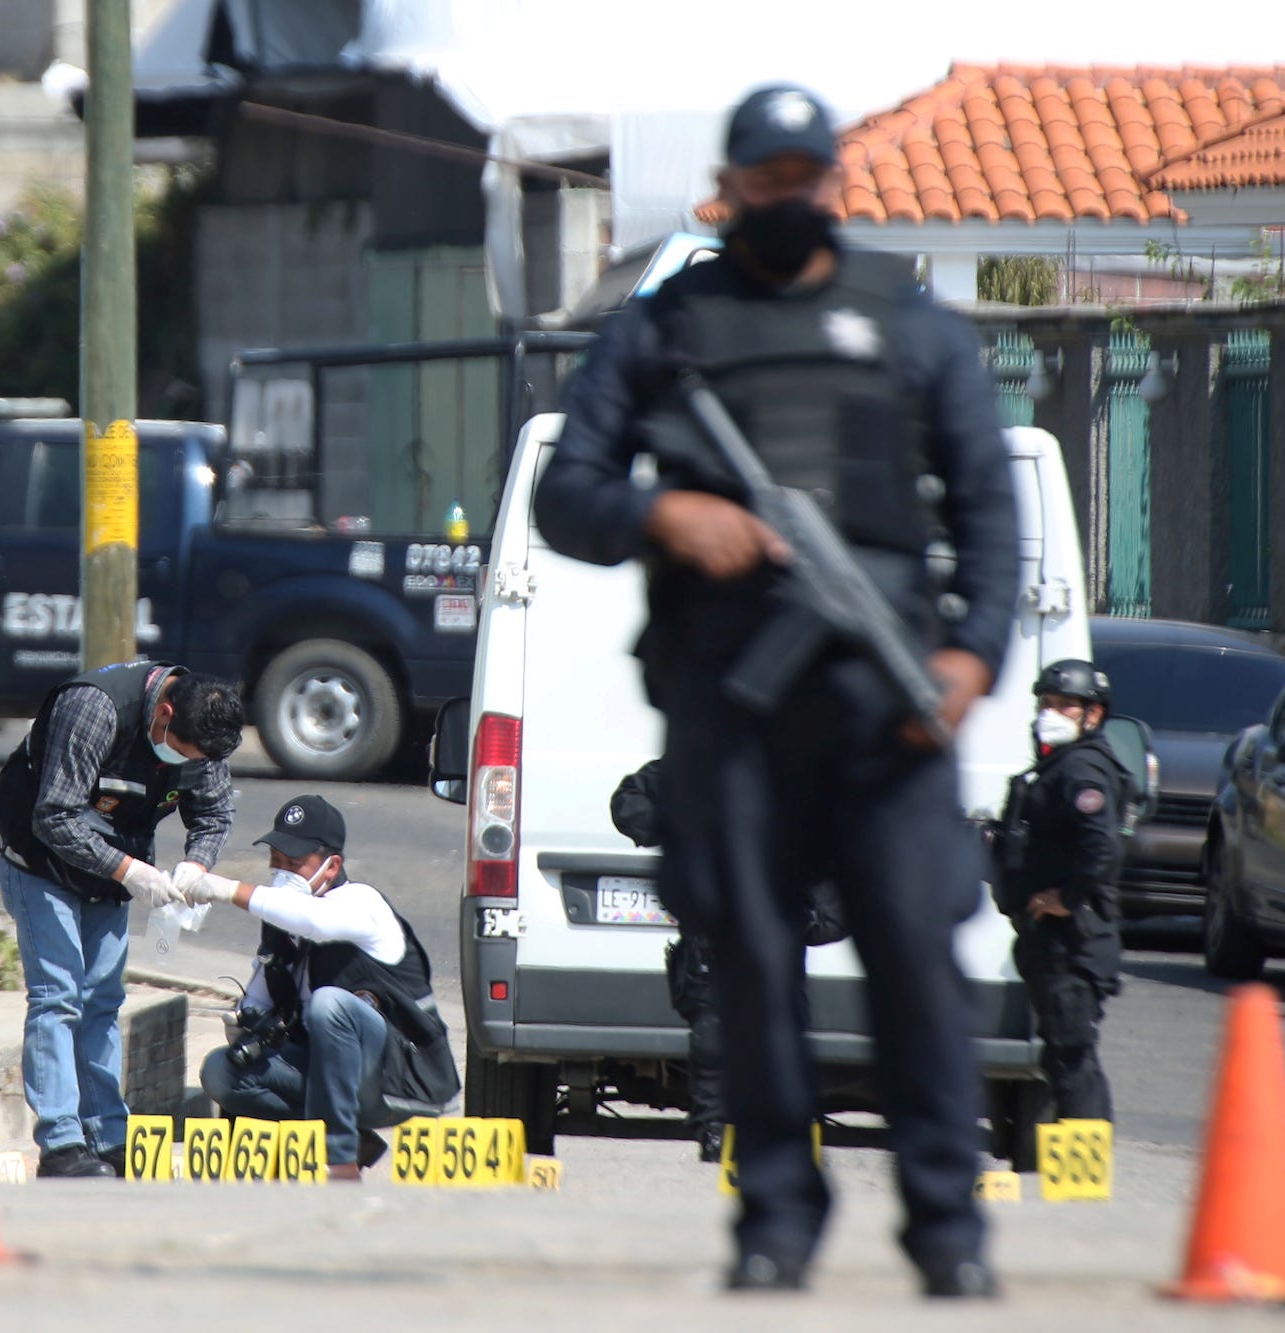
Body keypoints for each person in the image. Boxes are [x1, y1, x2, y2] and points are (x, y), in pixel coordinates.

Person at [533, 84, 1020, 1296]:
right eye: (768, 176)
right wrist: (662, 511)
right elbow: (565, 489)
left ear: (833, 185)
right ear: (731, 184)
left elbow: (989, 517)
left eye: (809, 174)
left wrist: (969, 660)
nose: (789, 194)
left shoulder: (908, 327)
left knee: (915, 955)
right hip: (732, 710)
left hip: (885, 710)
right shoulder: (666, 328)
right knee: (748, 962)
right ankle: (774, 1221)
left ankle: (945, 1232)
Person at [0, 661, 242, 1178]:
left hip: (114, 866)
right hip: (40, 859)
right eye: (184, 754)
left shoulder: (203, 726)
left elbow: (214, 813)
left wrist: (196, 863)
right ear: (163, 715)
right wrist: (130, 871)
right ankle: (61, 1143)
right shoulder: (94, 708)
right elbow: (54, 816)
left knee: (102, 998)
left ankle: (108, 1136)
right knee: (58, 995)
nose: (189, 764)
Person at [188, 795, 460, 1179]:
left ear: (332, 866)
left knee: (330, 1004)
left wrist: (224, 889)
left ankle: (340, 1160)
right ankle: (337, 1135)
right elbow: (259, 997)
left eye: (294, 864)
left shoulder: (361, 903)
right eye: (276, 862)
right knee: (220, 1070)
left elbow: (316, 922)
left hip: (400, 1077)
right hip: (333, 1079)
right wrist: (244, 1022)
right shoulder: (282, 921)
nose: (282, 873)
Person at [611, 760, 848, 1163]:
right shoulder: (707, 758)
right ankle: (714, 1129)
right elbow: (629, 801)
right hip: (713, 932)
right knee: (712, 1034)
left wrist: (812, 914)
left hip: (776, 931)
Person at [993, 660, 1128, 1123]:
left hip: (1075, 938)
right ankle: (1073, 1164)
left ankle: (1083, 1175)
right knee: (1062, 1053)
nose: (1051, 713)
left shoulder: (1084, 769)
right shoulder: (1058, 765)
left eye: (1064, 706)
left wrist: (1065, 899)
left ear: (1093, 715)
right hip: (1053, 941)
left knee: (1073, 1055)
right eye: (1045, 704)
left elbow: (1101, 844)